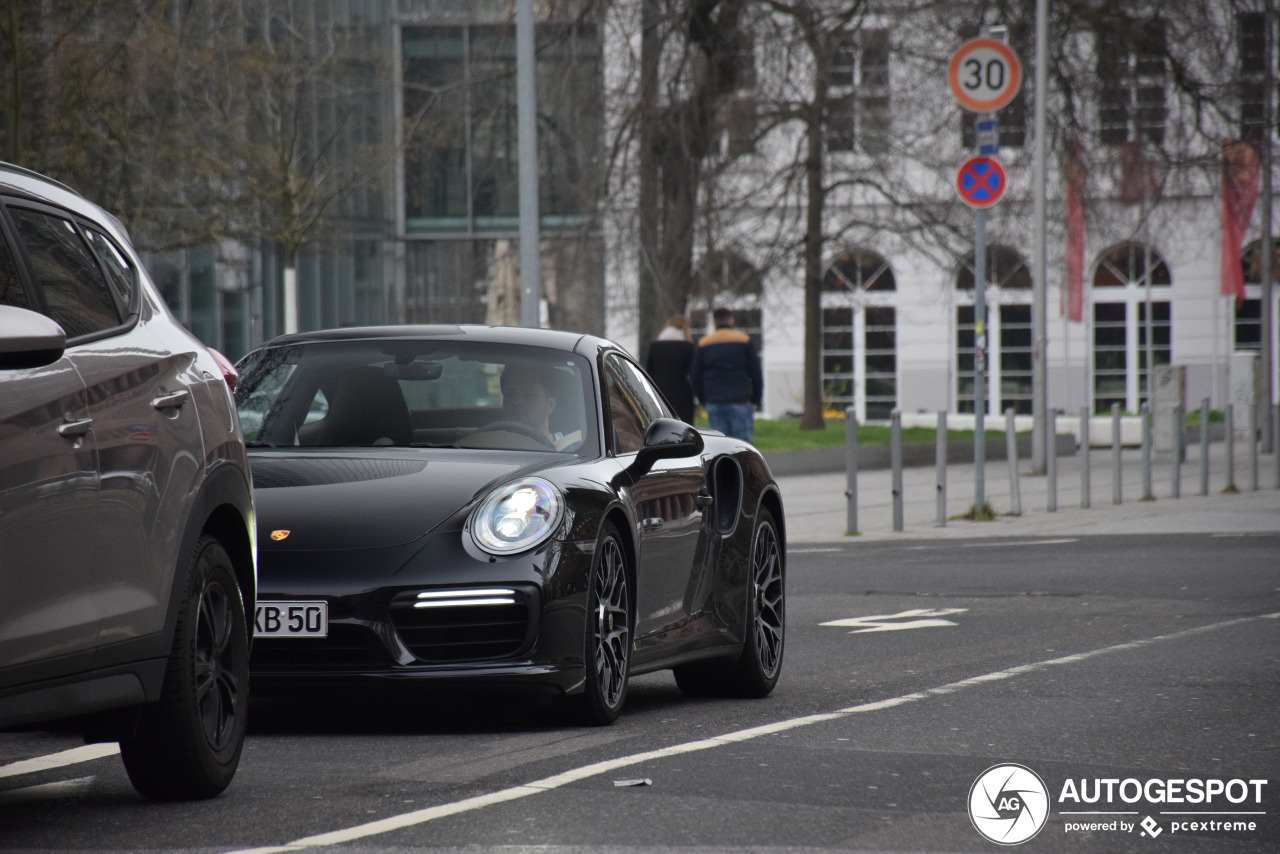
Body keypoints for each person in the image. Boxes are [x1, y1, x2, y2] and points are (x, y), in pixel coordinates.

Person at [690, 307, 763, 443]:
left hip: (714, 401)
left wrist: (703, 399)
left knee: (720, 445)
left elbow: (695, 376)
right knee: (743, 447)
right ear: (731, 320)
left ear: (714, 323)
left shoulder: (704, 343)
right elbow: (756, 372)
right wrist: (756, 399)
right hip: (740, 401)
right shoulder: (743, 340)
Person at [644, 314, 696, 423]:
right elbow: (693, 373)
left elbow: (649, 371)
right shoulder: (687, 347)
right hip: (682, 394)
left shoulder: (655, 346)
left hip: (659, 393)